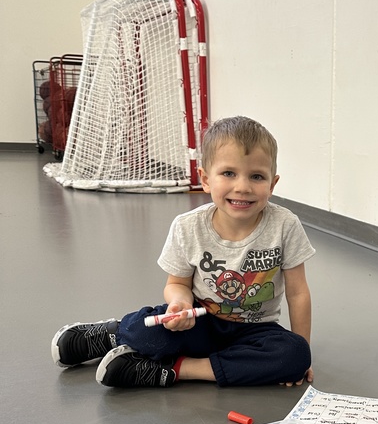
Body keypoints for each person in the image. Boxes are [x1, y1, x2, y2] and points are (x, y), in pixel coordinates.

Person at [51, 116, 314, 389]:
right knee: (148, 329)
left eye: (256, 176)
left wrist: (303, 354)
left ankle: (176, 369)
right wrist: (182, 306)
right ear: (205, 179)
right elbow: (177, 284)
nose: (243, 187)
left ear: (272, 184)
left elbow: (298, 293)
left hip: (255, 331)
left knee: (293, 355)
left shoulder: (285, 226)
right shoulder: (188, 226)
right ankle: (114, 335)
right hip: (199, 321)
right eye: (228, 173)